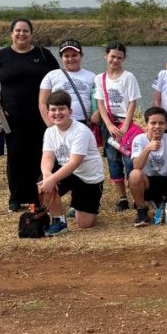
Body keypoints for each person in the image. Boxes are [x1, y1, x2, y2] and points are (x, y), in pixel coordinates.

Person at [0, 18, 60, 210]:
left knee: (40, 156)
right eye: (18, 31)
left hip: (42, 116)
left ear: (31, 34)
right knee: (16, 157)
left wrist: (57, 111)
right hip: (11, 117)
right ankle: (16, 198)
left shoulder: (43, 55)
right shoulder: (0, 56)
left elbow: (58, 82)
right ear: (11, 33)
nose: (21, 34)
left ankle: (38, 196)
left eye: (26, 31)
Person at [37, 90, 105, 236]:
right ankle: (58, 221)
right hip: (68, 173)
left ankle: (83, 205)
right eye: (53, 110)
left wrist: (52, 179)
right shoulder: (50, 132)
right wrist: (47, 175)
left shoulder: (81, 131)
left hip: (89, 178)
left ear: (70, 111)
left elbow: (75, 162)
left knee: (85, 225)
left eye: (62, 108)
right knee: (43, 184)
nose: (57, 113)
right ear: (48, 112)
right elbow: (47, 157)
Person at [94, 42, 141, 211]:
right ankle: (122, 198)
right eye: (112, 56)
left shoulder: (128, 77)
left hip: (125, 124)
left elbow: (132, 103)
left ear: (123, 59)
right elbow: (100, 103)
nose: (115, 60)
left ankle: (136, 195)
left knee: (130, 161)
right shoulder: (100, 78)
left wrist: (125, 126)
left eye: (119, 58)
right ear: (106, 56)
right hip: (109, 125)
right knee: (114, 162)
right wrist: (108, 124)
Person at [128, 106, 167, 227]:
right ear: (146, 125)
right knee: (134, 175)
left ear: (166, 125)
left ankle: (164, 202)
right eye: (153, 123)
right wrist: (147, 149)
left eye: (161, 123)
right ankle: (141, 210)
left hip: (165, 180)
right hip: (147, 182)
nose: (157, 126)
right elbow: (136, 166)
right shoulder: (139, 139)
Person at [39, 39, 97, 128]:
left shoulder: (92, 76)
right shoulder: (51, 76)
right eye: (66, 56)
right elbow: (42, 103)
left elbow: (100, 101)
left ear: (81, 55)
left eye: (74, 55)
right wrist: (50, 125)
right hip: (58, 123)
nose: (70, 59)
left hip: (84, 124)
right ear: (61, 57)